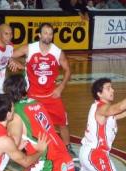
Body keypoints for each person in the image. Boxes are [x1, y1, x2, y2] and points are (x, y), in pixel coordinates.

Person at [11, 22, 77, 157]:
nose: (48, 36)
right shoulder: (30, 48)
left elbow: (68, 70)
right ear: (39, 35)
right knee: (26, 122)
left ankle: (67, 147)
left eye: (50, 33)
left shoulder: (57, 52)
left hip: (51, 95)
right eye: (45, 33)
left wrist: (61, 86)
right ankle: (23, 146)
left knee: (63, 122)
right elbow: (9, 55)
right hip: (32, 96)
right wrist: (15, 62)